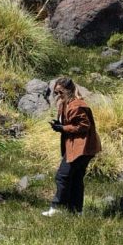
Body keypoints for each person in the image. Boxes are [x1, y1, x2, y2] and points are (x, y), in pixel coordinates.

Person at [43, 78, 102, 216]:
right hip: (78, 146)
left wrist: (63, 128)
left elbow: (84, 126)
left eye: (60, 92)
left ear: (68, 90)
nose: (58, 95)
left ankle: (56, 208)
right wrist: (59, 125)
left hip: (83, 147)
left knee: (62, 176)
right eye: (56, 92)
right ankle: (76, 211)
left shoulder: (77, 105)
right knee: (75, 178)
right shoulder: (66, 104)